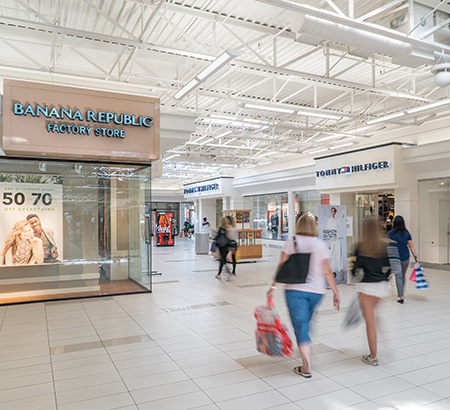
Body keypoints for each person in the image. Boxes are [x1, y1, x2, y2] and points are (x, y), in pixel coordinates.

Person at [267, 213, 340, 378]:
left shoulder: (292, 242)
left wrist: (273, 286)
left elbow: (282, 265)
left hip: (295, 291)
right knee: (305, 322)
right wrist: (335, 292)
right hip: (317, 291)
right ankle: (305, 341)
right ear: (314, 226)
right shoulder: (320, 244)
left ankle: (306, 366)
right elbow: (327, 271)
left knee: (300, 325)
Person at [353, 216, 401, 366]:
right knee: (374, 316)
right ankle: (383, 340)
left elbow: (355, 270)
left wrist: (358, 277)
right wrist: (384, 278)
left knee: (370, 323)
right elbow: (393, 268)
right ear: (378, 227)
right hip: (381, 287)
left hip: (366, 287)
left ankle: (373, 356)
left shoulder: (360, 246)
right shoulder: (385, 246)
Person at [387, 215, 419, 304]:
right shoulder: (406, 233)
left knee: (398, 276)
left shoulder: (390, 233)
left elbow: (387, 245)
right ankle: (401, 293)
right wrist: (415, 257)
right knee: (403, 275)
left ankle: (401, 296)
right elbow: (411, 246)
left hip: (394, 257)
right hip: (405, 257)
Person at [325, 207, 345, 282]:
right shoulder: (328, 221)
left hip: (337, 239)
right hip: (331, 239)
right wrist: (328, 243)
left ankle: (341, 273)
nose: (333, 213)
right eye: (332, 211)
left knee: (339, 255)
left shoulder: (336, 220)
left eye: (334, 211)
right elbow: (327, 231)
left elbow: (342, 215)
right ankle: (330, 273)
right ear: (330, 212)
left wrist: (338, 211)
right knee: (331, 256)